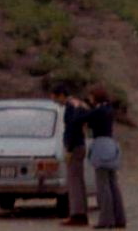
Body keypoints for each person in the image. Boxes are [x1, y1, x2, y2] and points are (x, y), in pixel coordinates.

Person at [86, 85, 125, 229]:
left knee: (103, 186)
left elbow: (85, 118)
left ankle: (106, 219)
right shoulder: (109, 110)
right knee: (113, 184)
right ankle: (119, 217)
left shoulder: (98, 111)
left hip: (101, 146)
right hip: (110, 144)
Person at [52, 83, 90, 226]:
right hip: (80, 144)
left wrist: (68, 148)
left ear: (61, 95)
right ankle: (81, 211)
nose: (56, 101)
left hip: (74, 146)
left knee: (73, 182)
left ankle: (77, 214)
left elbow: (72, 127)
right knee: (79, 181)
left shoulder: (70, 106)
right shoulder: (78, 104)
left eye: (56, 98)